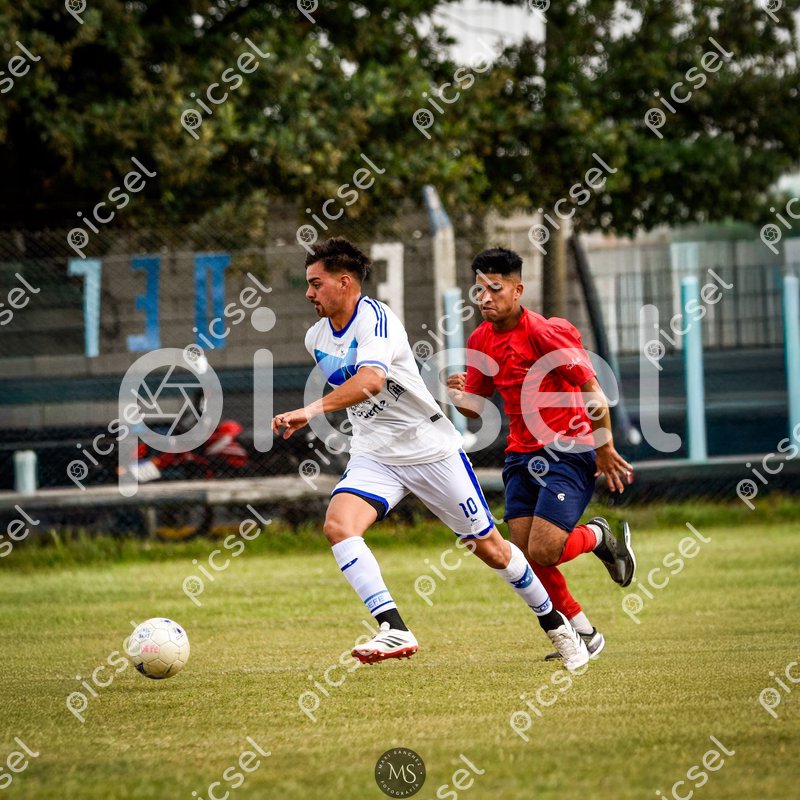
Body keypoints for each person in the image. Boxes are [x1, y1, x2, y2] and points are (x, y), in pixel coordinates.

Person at [272, 237, 590, 672]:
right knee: (338, 526)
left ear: (344, 282)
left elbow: (371, 381)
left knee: (492, 550)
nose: (309, 293)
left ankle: (558, 627)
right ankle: (394, 627)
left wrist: (310, 411)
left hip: (428, 449)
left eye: (316, 283)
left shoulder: (377, 319)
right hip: (375, 454)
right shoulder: (316, 336)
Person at [447, 247, 636, 661]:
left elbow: (593, 391)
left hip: (568, 450)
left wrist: (604, 447)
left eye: (495, 289)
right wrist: (458, 395)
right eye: (479, 290)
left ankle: (598, 536)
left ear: (518, 290)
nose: (484, 298)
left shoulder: (545, 333)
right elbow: (475, 408)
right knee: (525, 558)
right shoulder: (480, 339)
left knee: (546, 550)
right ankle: (584, 633)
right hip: (520, 455)